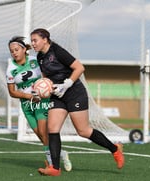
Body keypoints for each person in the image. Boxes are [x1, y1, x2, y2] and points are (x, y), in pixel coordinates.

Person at [30, 28, 124, 176]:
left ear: (45, 39)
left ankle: (115, 149)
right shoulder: (39, 57)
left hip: (74, 93)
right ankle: (55, 168)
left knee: (83, 131)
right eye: (32, 40)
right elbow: (45, 78)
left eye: (35, 40)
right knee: (52, 129)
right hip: (57, 95)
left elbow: (79, 67)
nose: (33, 43)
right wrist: (40, 89)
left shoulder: (58, 51)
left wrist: (67, 84)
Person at [6, 36, 72, 172]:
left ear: (24, 49)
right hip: (27, 104)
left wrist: (45, 89)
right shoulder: (10, 69)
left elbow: (46, 75)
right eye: (11, 51)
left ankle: (51, 164)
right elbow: (12, 92)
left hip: (42, 101)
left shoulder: (35, 60)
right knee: (41, 136)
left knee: (43, 131)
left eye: (17, 49)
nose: (14, 53)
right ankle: (60, 154)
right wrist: (27, 96)